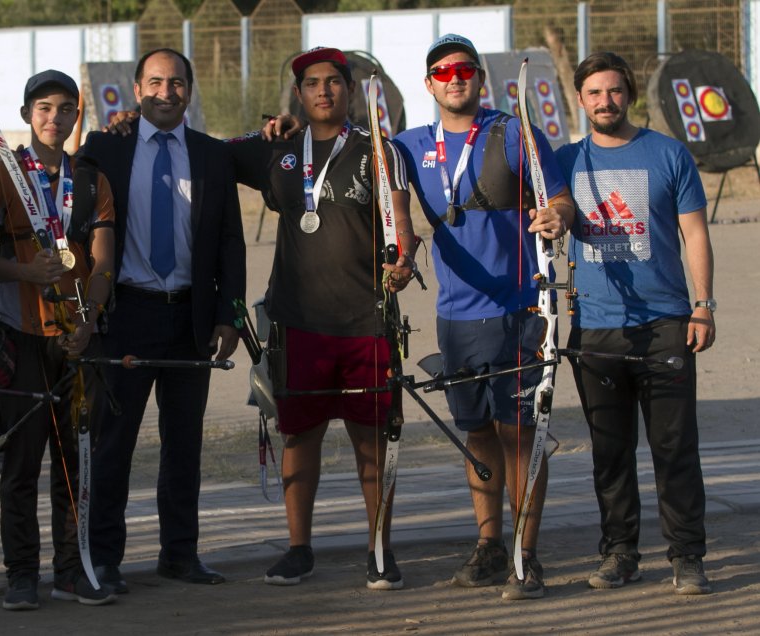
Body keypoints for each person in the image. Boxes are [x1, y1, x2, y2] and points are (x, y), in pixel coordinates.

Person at [228, 47, 419, 589]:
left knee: (372, 439)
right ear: (298, 93)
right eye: (312, 83)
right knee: (299, 437)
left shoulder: (379, 150)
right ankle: (297, 548)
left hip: (366, 321)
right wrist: (125, 126)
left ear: (350, 90)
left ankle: (379, 549)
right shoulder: (278, 148)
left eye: (334, 82)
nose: (324, 92)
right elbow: (202, 153)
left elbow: (401, 221)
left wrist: (403, 260)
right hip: (297, 323)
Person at [392, 34, 574, 600]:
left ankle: (526, 551)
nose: (455, 78)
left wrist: (556, 217)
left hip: (521, 311)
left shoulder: (514, 132)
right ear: (429, 84)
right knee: (477, 437)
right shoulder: (406, 146)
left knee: (523, 435)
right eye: (443, 72)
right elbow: (365, 171)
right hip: (456, 318)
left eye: (465, 69)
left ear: (479, 77)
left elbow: (561, 198)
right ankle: (490, 544)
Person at [76, 48, 246, 592]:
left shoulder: (211, 155)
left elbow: (230, 244)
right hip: (125, 314)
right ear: (136, 90)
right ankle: (102, 558)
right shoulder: (105, 148)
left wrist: (229, 316)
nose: (165, 93)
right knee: (113, 443)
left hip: (191, 319)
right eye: (154, 83)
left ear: (189, 92)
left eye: (176, 84)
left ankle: (180, 553)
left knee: (184, 445)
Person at [555, 52, 716, 595]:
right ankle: (620, 553)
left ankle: (687, 556)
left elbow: (695, 233)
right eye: (595, 92)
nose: (606, 101)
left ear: (631, 95)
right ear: (580, 99)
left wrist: (703, 305)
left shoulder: (669, 154)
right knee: (610, 451)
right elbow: (554, 214)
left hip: (666, 323)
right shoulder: (564, 161)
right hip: (595, 328)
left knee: (674, 448)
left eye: (615, 91)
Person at [0, 70, 117, 609]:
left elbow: (102, 262)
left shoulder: (92, 181)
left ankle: (71, 571)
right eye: (44, 108)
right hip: (19, 336)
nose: (55, 118)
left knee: (77, 464)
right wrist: (26, 274)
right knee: (21, 464)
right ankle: (21, 574)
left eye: (66, 109)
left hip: (77, 339)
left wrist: (91, 320)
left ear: (79, 116)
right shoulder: (1, 177)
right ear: (28, 115)